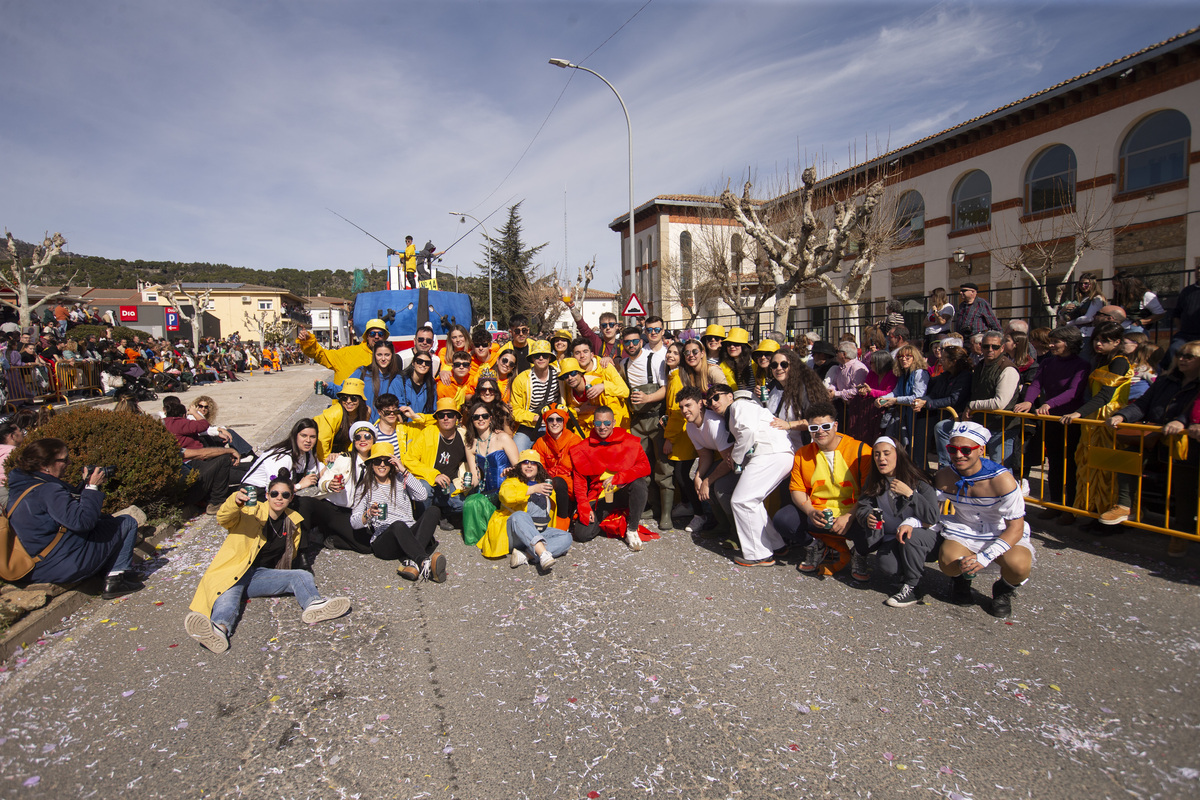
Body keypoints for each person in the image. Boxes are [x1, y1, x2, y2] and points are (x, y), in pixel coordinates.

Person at [184, 472, 351, 653]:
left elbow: (289, 554)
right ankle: (219, 631)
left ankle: (314, 605)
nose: (279, 498)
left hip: (259, 575)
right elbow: (223, 518)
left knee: (301, 575)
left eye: (285, 495)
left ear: (291, 497)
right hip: (234, 573)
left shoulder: (292, 521)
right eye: (274, 494)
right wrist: (234, 501)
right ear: (267, 495)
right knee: (228, 601)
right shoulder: (249, 512)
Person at [5, 439, 142, 599]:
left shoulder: (22, 486)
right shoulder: (48, 490)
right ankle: (115, 579)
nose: (69, 462)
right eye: (64, 459)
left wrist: (84, 485)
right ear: (45, 464)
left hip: (34, 566)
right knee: (126, 522)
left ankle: (112, 571)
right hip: (59, 565)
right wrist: (92, 488)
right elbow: (83, 522)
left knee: (105, 523)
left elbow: (64, 515)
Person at [935, 421, 1034, 618]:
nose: (958, 455)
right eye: (952, 449)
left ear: (980, 450)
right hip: (965, 529)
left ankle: (1003, 590)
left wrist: (985, 557)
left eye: (965, 449)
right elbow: (932, 511)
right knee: (947, 560)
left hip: (1001, 531)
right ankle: (961, 580)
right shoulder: (944, 476)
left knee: (1020, 566)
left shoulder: (1002, 479)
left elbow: (1015, 528)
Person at [773, 403, 873, 574]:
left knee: (874, 522)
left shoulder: (861, 450)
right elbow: (797, 489)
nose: (820, 431)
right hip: (819, 513)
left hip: (852, 514)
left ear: (835, 426)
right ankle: (815, 546)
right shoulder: (802, 454)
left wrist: (849, 516)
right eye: (814, 427)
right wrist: (811, 511)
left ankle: (860, 553)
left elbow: (869, 492)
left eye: (825, 426)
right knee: (783, 519)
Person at [706, 385, 796, 566]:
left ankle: (758, 553)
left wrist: (736, 460)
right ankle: (776, 544)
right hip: (776, 453)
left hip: (771, 453)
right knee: (752, 501)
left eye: (717, 397)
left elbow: (748, 432)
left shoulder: (740, 406)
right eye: (709, 401)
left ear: (730, 396)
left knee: (742, 501)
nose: (713, 403)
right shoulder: (737, 410)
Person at [853, 437, 941, 607]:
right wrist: (867, 516)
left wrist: (910, 494)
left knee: (910, 536)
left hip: (924, 536)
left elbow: (932, 517)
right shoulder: (875, 479)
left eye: (887, 453)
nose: (881, 459)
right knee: (887, 566)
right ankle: (907, 569)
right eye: (877, 455)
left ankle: (913, 586)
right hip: (892, 536)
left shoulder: (918, 481)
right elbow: (863, 506)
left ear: (898, 455)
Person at [1013, 326, 1090, 522]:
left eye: (1057, 342)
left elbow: (1074, 391)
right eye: (1052, 341)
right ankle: (1055, 504)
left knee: (1070, 465)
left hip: (1070, 420)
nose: (1052, 345)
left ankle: (1070, 508)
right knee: (1054, 464)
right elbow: (1037, 383)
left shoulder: (1082, 365)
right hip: (1051, 419)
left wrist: (1050, 403)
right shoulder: (1047, 363)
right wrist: (1029, 401)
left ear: (1070, 343)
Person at [1061, 321, 1133, 518]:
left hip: (1110, 418)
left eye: (1104, 340)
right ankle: (1093, 510)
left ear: (1117, 341)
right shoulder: (1101, 359)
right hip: (1095, 417)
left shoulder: (1119, 361)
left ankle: (1106, 512)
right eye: (1096, 340)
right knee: (1091, 466)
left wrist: (1078, 413)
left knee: (1107, 469)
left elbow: (1105, 395)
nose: (1098, 344)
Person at [351, 442, 446, 581]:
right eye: (378, 461)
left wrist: (404, 470)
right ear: (371, 464)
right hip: (385, 541)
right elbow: (354, 522)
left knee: (433, 511)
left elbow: (422, 495)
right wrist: (368, 514)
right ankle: (423, 562)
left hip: (409, 534)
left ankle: (412, 563)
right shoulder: (365, 487)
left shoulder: (401, 480)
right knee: (398, 524)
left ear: (392, 464)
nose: (382, 465)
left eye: (386, 461)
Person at [569, 406, 651, 551]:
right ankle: (614, 519)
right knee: (582, 534)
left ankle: (631, 529)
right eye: (598, 423)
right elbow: (579, 479)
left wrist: (620, 477)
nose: (602, 427)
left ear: (613, 423)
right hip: (599, 496)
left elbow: (645, 466)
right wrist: (583, 505)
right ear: (593, 423)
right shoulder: (584, 446)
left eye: (607, 423)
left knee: (639, 484)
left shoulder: (629, 441)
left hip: (622, 490)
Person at [933, 330, 1019, 468]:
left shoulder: (1008, 369)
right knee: (942, 428)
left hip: (1001, 425)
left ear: (1002, 348)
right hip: (979, 422)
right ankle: (948, 471)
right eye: (986, 346)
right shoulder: (980, 366)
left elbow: (1000, 402)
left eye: (995, 347)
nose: (990, 350)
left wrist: (972, 406)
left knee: (999, 469)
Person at [478, 450, 572, 568]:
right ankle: (542, 554)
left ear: (538, 467)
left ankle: (526, 555)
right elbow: (505, 496)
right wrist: (532, 489)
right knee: (520, 515)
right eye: (525, 462)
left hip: (538, 531)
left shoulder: (544, 485)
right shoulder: (511, 481)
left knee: (566, 537)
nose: (529, 465)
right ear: (519, 466)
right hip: (513, 533)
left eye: (533, 463)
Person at [620, 324, 669, 521]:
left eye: (634, 341)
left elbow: (666, 389)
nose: (631, 345)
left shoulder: (656, 360)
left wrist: (648, 399)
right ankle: (651, 506)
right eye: (627, 342)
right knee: (642, 465)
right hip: (636, 422)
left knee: (663, 466)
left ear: (641, 342)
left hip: (656, 420)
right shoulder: (622, 364)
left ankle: (666, 513)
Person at [305, 421, 377, 554]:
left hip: (350, 512)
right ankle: (315, 536)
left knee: (367, 545)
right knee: (306, 504)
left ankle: (331, 538)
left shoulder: (376, 464)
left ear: (373, 440)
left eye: (367, 437)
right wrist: (329, 485)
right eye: (358, 437)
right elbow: (322, 481)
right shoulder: (343, 458)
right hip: (330, 506)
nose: (362, 440)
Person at [161, 396, 239, 514]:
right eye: (201, 407)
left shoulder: (162, 426)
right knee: (224, 460)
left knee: (237, 468)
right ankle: (216, 502)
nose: (203, 409)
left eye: (205, 407)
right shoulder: (181, 423)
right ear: (183, 415)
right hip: (189, 482)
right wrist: (229, 451)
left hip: (182, 482)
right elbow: (203, 426)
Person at [677, 385, 736, 539]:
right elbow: (705, 455)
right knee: (702, 481)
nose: (684, 411)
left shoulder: (714, 424)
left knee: (720, 488)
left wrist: (707, 481)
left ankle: (736, 532)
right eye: (681, 407)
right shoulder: (690, 426)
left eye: (688, 405)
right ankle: (722, 525)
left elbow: (729, 459)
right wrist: (698, 476)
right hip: (726, 459)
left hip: (739, 461)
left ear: (700, 404)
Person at [460, 400, 520, 546]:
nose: (481, 419)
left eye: (484, 416)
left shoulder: (503, 438)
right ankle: (480, 538)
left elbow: (519, 467)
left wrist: (511, 471)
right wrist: (468, 485)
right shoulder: (471, 444)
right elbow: (475, 476)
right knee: (470, 501)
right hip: (487, 490)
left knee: (477, 502)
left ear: (490, 418)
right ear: (472, 421)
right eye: (476, 417)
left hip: (506, 488)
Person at [405, 399, 470, 528]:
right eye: (441, 415)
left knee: (463, 505)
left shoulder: (463, 436)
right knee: (423, 489)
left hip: (449, 484)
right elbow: (409, 459)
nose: (446, 418)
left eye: (450, 415)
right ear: (437, 418)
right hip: (427, 480)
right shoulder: (428, 432)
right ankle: (423, 521)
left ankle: (440, 512)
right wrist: (434, 475)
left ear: (456, 417)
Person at [239, 419, 322, 500]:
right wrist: (299, 486)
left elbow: (320, 471)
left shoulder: (307, 454)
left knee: (311, 504)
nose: (308, 440)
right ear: (295, 435)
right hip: (254, 495)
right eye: (303, 436)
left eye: (312, 437)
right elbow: (274, 492)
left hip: (280, 496)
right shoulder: (283, 457)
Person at [297, 318, 390, 387]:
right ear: (367, 336)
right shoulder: (347, 353)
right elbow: (320, 354)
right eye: (372, 334)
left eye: (380, 334)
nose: (376, 337)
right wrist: (308, 341)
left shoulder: (391, 358)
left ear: (385, 337)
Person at [531, 404, 582, 522]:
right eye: (551, 419)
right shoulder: (540, 442)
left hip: (570, 485)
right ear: (546, 422)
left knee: (558, 481)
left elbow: (568, 467)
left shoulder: (574, 440)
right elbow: (538, 467)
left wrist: (549, 473)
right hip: (548, 483)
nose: (555, 423)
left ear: (564, 421)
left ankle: (563, 519)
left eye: (559, 419)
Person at [876, 345, 929, 448]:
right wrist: (883, 399)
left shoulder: (920, 373)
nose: (903, 359)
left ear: (915, 358)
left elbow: (918, 396)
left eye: (908, 356)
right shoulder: (903, 375)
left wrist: (895, 400)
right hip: (905, 413)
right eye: (900, 356)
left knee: (916, 450)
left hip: (918, 416)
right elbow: (896, 392)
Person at [560, 356, 627, 436]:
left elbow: (615, 412)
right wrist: (579, 410)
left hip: (614, 430)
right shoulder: (569, 393)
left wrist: (607, 437)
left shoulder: (598, 386)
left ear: (581, 373)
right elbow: (568, 411)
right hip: (590, 432)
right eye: (565, 376)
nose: (570, 378)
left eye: (573, 373)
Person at [510, 340, 560, 445]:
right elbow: (515, 411)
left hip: (554, 424)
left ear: (550, 358)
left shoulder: (559, 377)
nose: (541, 358)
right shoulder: (521, 379)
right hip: (528, 425)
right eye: (537, 356)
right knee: (517, 452)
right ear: (532, 358)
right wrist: (535, 418)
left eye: (545, 355)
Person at [315, 379, 371, 462]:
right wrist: (326, 464)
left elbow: (357, 438)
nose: (348, 401)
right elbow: (322, 441)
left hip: (341, 453)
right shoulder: (334, 413)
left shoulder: (365, 412)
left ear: (360, 400)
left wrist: (348, 457)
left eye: (353, 398)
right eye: (344, 398)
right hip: (320, 452)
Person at [350, 340, 404, 418]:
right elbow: (344, 389)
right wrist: (327, 386)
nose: (383, 358)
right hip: (365, 424)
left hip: (388, 427)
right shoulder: (363, 372)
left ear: (392, 356)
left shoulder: (398, 378)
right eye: (379, 355)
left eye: (387, 355)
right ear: (374, 355)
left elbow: (402, 403)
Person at [1063, 272, 1106, 340]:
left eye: (1086, 283)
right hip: (1076, 333)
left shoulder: (1097, 298)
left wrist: (1069, 323)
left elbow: (1089, 318)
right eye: (1081, 284)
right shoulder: (1080, 299)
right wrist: (1063, 311)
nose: (1083, 286)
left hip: (1088, 333)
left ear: (1093, 284)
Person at [924, 288, 956, 353]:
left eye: (932, 295)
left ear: (937, 295)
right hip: (929, 334)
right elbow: (924, 323)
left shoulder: (947, 307)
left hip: (940, 334)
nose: (931, 297)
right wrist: (935, 323)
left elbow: (942, 321)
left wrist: (935, 311)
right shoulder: (932, 308)